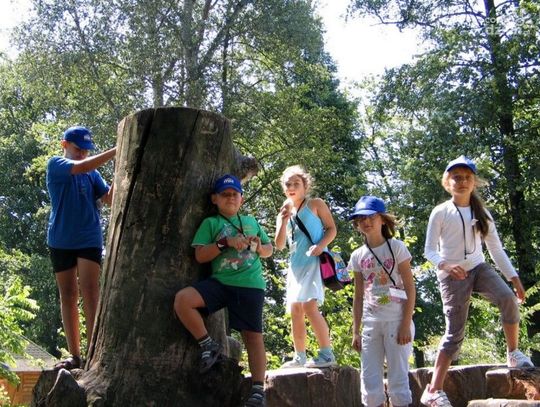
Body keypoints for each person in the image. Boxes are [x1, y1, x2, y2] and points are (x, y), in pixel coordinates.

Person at [421, 155, 533, 407]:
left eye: (466, 178)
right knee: (454, 333)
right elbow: (429, 250)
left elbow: (496, 250)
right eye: (456, 177)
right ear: (447, 182)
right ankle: (433, 390)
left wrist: (514, 278)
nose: (461, 182)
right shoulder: (441, 212)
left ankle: (513, 353)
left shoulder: (482, 214)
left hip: (478, 267)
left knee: (507, 298)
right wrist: (446, 266)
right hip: (452, 275)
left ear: (474, 182)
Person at [174, 174, 273, 407]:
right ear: (214, 199)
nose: (230, 198)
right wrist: (224, 243)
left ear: (242, 199)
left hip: (251, 284)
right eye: (225, 194)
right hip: (221, 283)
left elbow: (269, 249)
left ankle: (258, 390)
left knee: (253, 337)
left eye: (235, 194)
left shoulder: (251, 221)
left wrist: (259, 247)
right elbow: (200, 255)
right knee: (183, 300)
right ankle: (208, 345)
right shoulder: (211, 223)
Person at [46, 126, 116, 370]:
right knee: (68, 294)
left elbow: (109, 198)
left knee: (90, 291)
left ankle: (94, 352)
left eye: (86, 150)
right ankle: (74, 356)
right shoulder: (56, 164)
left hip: (88, 238)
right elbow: (82, 166)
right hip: (61, 239)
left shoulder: (92, 174)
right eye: (78, 149)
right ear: (64, 144)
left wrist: (120, 170)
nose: (83, 154)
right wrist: (117, 150)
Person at [348, 196, 416, 407]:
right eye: (361, 219)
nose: (366, 222)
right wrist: (356, 331)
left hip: (397, 320)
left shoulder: (397, 247)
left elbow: (410, 287)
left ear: (383, 220)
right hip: (370, 323)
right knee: (369, 381)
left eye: (372, 217)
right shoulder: (357, 256)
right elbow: (358, 295)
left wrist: (405, 324)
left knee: (398, 378)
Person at [275, 165, 337, 368]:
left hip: (314, 262)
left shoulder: (316, 204)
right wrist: (283, 220)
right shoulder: (284, 212)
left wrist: (320, 246)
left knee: (309, 306)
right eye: (288, 184)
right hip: (295, 266)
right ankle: (299, 356)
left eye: (296, 183)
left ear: (305, 186)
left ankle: (326, 354)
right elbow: (279, 244)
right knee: (295, 310)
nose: (292, 187)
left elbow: (331, 229)